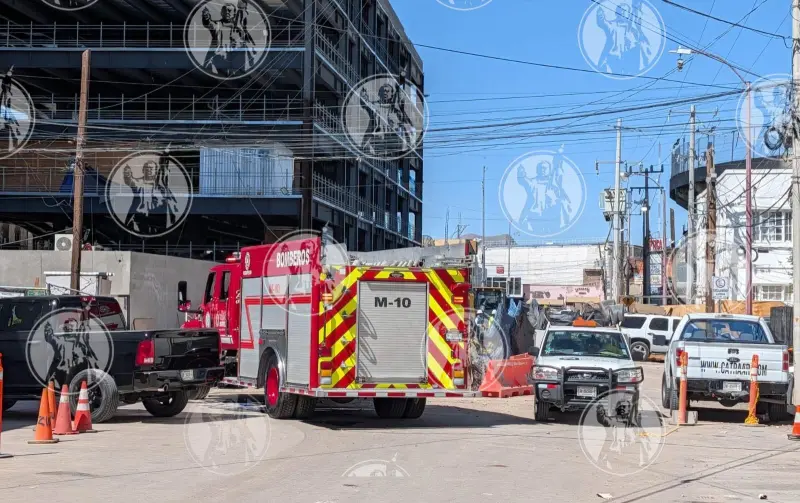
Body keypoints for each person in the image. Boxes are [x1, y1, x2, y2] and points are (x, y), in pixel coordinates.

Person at [358, 80, 417, 157]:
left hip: (391, 141)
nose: (385, 93)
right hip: (378, 140)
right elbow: (365, 103)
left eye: (387, 91)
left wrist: (399, 89)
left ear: (392, 95)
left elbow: (402, 103)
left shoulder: (394, 109)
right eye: (383, 91)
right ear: (379, 94)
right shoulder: (375, 106)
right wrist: (363, 93)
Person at [595, 0, 654, 76]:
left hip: (628, 61)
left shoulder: (633, 29)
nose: (622, 12)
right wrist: (600, 12)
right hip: (613, 58)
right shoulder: (611, 25)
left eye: (624, 11)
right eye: (620, 11)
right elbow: (602, 22)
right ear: (616, 13)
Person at [201, 1, 258, 77]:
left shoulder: (239, 28)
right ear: (221, 13)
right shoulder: (218, 25)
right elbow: (208, 23)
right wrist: (206, 17)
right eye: (225, 10)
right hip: (218, 59)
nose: (227, 12)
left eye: (229, 10)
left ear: (234, 14)